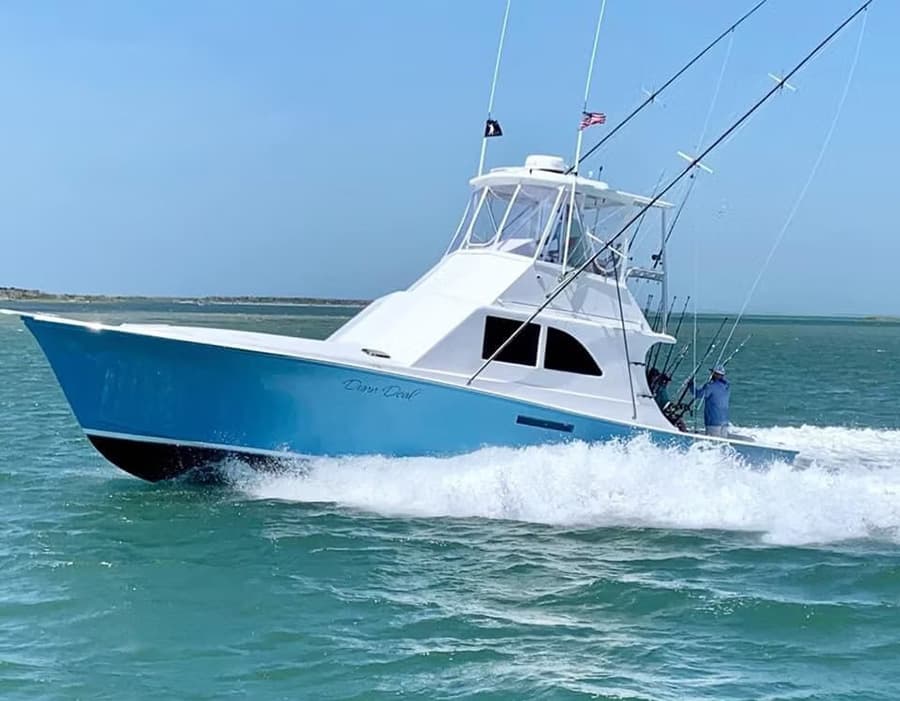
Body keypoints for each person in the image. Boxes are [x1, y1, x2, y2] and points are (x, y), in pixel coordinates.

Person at [690, 365, 730, 437]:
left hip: (713, 421)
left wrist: (691, 385)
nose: (711, 374)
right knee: (722, 442)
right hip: (724, 422)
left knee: (712, 442)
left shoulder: (710, 386)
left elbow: (698, 394)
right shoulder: (727, 386)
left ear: (715, 375)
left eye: (712, 373)